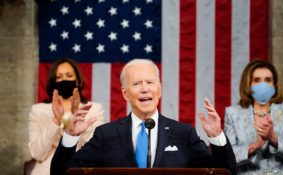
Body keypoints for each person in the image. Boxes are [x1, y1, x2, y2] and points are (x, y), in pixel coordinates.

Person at [50, 58, 237, 175]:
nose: (145, 88)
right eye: (137, 83)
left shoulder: (183, 134)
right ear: (125, 93)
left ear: (159, 89)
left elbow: (225, 172)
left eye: (150, 82)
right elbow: (61, 173)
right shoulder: (106, 135)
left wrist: (217, 137)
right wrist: (70, 136)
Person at [28, 58, 105, 175]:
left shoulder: (95, 109)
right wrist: (55, 121)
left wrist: (77, 117)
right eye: (59, 77)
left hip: (82, 169)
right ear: (53, 82)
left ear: (78, 80)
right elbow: (37, 153)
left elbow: (96, 150)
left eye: (69, 76)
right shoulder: (38, 110)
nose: (64, 80)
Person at [224, 59, 283, 174]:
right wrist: (255, 146)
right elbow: (227, 158)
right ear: (248, 84)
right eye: (257, 80)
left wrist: (274, 138)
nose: (263, 85)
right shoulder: (233, 114)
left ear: (274, 84)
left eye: (268, 80)